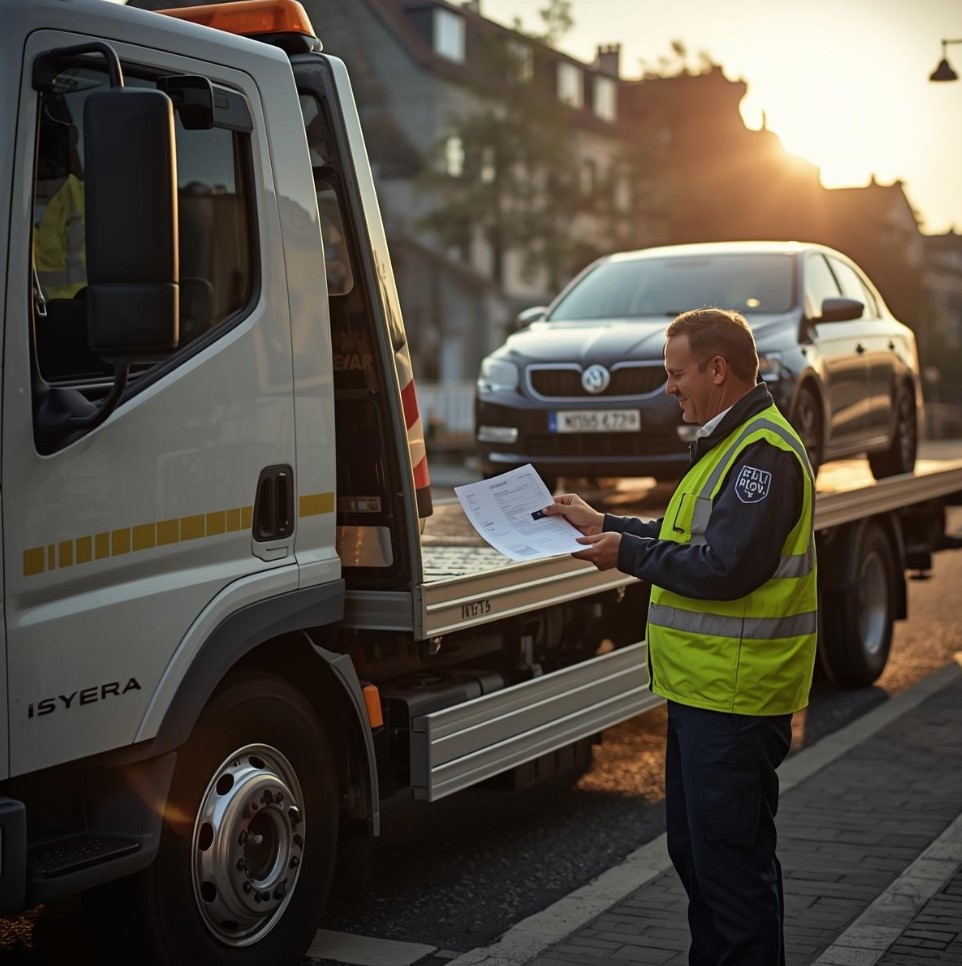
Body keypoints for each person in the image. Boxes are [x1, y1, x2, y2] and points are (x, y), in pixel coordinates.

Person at [543, 307, 817, 966]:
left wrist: (626, 555)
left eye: (676, 373)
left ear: (717, 369)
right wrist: (604, 522)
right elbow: (683, 539)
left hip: (735, 702)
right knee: (702, 862)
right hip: (706, 695)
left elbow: (726, 568)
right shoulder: (728, 443)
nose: (669, 388)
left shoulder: (762, 454)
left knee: (731, 879)